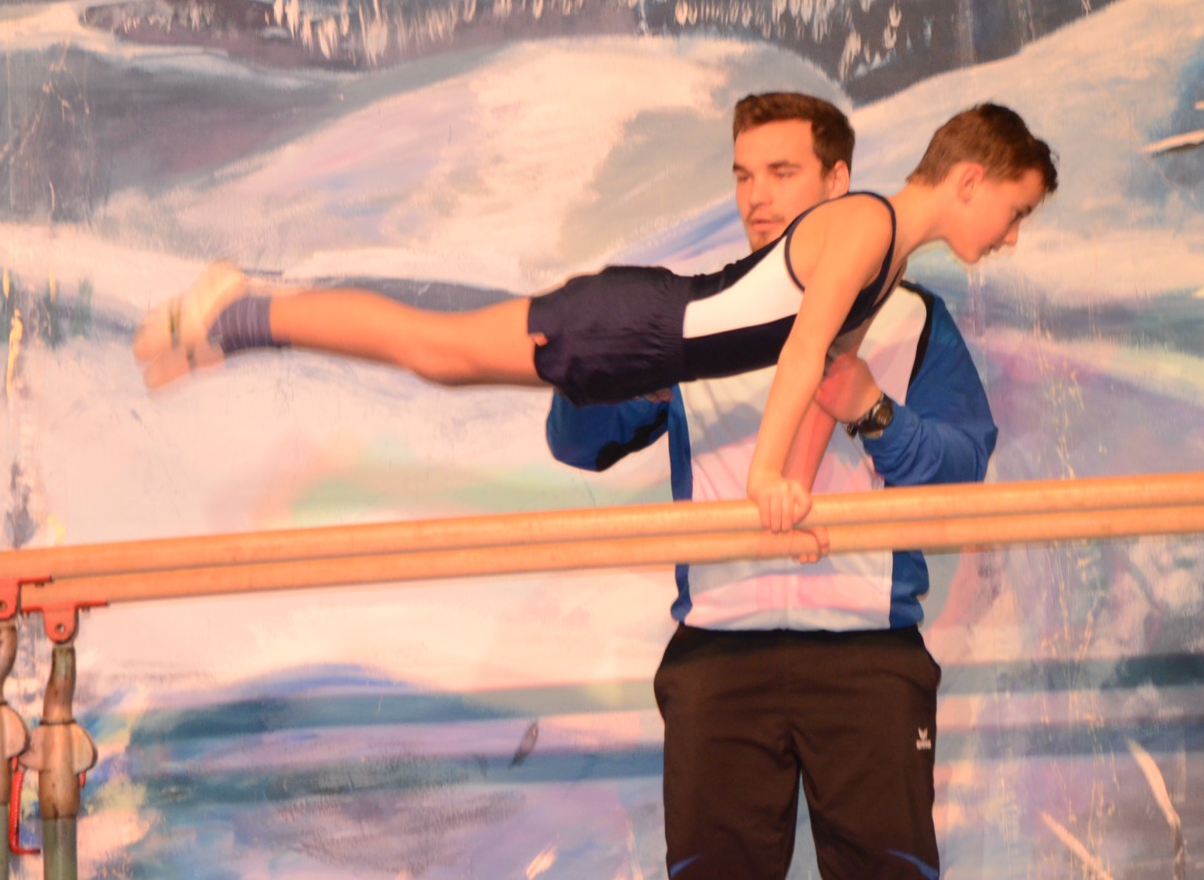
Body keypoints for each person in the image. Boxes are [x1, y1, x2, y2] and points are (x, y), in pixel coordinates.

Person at [134, 102, 1054, 531]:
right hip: (636, 325)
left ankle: (237, 320)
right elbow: (803, 350)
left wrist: (790, 508)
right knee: (435, 350)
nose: (1011, 235)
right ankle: (242, 311)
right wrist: (764, 475)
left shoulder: (888, 259)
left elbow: (821, 382)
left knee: (438, 352)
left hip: (648, 333)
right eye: (1014, 211)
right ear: (972, 180)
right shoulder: (864, 223)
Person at [546, 93, 1042, 879]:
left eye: (781, 172)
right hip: (719, 657)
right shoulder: (701, 318)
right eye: (744, 175)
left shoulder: (915, 318)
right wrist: (628, 379)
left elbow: (960, 474)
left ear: (839, 182)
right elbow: (575, 443)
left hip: (867, 656)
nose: (757, 196)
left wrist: (875, 410)